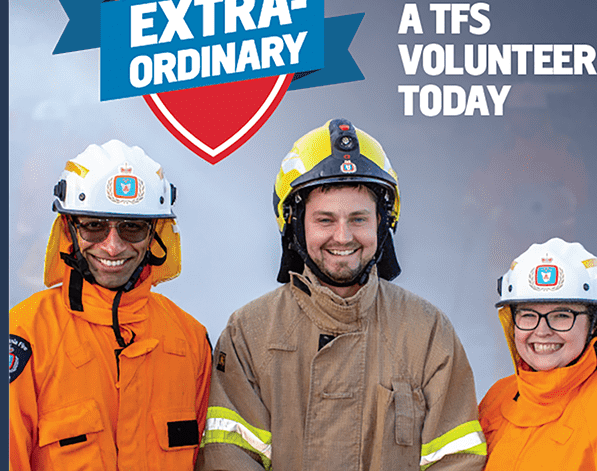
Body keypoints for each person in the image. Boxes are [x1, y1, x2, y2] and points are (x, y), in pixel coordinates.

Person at [201, 119, 488, 470]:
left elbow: (457, 461)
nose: (343, 237)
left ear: (383, 223)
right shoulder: (249, 334)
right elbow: (229, 459)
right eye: (325, 220)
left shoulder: (427, 333)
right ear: (294, 223)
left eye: (358, 219)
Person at [8, 140, 209, 470]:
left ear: (156, 234)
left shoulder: (191, 340)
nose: (113, 247)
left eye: (132, 227)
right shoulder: (25, 333)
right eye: (94, 225)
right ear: (70, 230)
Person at [479, 238, 597, 470]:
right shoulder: (498, 397)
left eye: (562, 315)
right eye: (528, 315)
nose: (542, 331)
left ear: (595, 323)